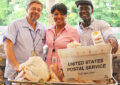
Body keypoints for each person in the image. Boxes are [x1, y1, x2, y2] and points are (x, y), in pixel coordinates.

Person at [3, 0, 46, 83]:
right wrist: (17, 67)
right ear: (27, 10)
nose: (36, 11)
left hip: (34, 77)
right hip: (16, 75)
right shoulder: (15, 24)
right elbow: (7, 45)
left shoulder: (43, 28)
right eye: (33, 9)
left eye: (38, 10)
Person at [46, 3, 79, 70]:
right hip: (49, 67)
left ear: (66, 15)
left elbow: (76, 52)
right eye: (56, 14)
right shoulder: (48, 31)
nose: (59, 16)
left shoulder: (72, 31)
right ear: (52, 15)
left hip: (64, 69)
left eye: (62, 14)